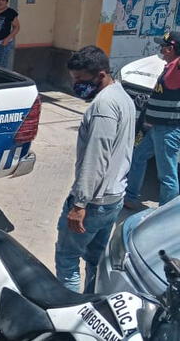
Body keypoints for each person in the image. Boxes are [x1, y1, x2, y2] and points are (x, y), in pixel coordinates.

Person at [55, 46, 135, 293]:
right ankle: (90, 308)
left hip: (94, 202)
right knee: (95, 259)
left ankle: (69, 315)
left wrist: (79, 205)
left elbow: (95, 158)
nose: (76, 85)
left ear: (101, 75)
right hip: (114, 197)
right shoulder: (122, 96)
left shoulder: (103, 106)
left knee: (67, 260)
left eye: (80, 79)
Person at [125, 31, 180, 208]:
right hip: (153, 126)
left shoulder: (176, 68)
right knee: (138, 156)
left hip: (167, 129)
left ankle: (164, 216)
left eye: (162, 46)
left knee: (166, 175)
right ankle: (130, 197)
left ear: (170, 48)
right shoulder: (169, 67)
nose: (160, 49)